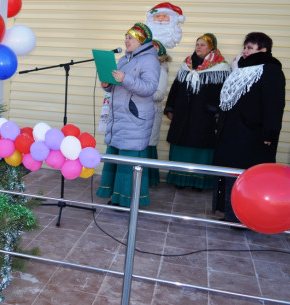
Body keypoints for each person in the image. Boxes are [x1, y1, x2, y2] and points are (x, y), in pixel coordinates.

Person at [213, 32, 285, 223]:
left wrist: (270, 133)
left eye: (250, 48)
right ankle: (229, 213)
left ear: (264, 50)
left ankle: (245, 216)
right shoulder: (240, 69)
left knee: (247, 176)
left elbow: (274, 105)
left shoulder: (270, 70)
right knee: (229, 173)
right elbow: (228, 102)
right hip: (231, 132)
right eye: (245, 47)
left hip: (253, 135)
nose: (245, 51)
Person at [96, 23, 160, 207]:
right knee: (117, 158)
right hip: (119, 118)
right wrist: (107, 84)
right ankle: (116, 197)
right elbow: (116, 86)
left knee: (129, 160)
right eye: (125, 37)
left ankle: (127, 201)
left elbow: (149, 88)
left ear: (141, 40)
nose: (126, 41)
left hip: (134, 119)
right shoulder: (124, 59)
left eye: (130, 37)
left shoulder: (150, 61)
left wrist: (125, 78)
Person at [163, 33, 230, 191]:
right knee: (181, 146)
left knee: (201, 148)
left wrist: (218, 114)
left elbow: (224, 94)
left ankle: (199, 182)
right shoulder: (187, 64)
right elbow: (176, 88)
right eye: (197, 44)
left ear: (211, 48)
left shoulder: (221, 67)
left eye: (203, 45)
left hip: (204, 117)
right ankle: (180, 180)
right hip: (183, 115)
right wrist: (170, 107)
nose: (198, 47)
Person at [147, 40, 171, 187]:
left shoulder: (161, 69)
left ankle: (149, 179)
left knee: (148, 144)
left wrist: (137, 91)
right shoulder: (148, 68)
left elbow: (159, 94)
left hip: (152, 112)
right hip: (143, 111)